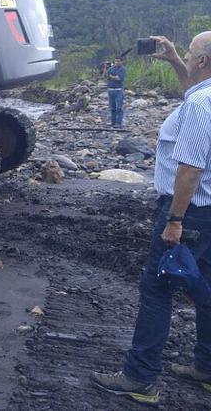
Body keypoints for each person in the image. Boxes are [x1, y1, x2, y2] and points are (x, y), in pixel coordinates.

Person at [91, 32, 211, 405]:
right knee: (206, 290)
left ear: (203, 61)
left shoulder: (201, 105)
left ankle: (140, 378)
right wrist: (175, 60)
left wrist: (173, 219)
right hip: (209, 213)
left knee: (157, 290)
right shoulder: (203, 97)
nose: (188, 58)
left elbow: (190, 168)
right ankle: (207, 368)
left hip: (188, 212)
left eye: (190, 54)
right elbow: (194, 92)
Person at [105, 56, 126, 127]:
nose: (117, 62)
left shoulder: (122, 69)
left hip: (118, 90)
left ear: (121, 62)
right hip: (110, 90)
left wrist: (111, 76)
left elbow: (119, 78)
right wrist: (106, 68)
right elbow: (106, 76)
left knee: (119, 107)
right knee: (112, 108)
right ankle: (113, 122)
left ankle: (118, 123)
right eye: (116, 61)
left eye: (118, 61)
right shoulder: (111, 68)